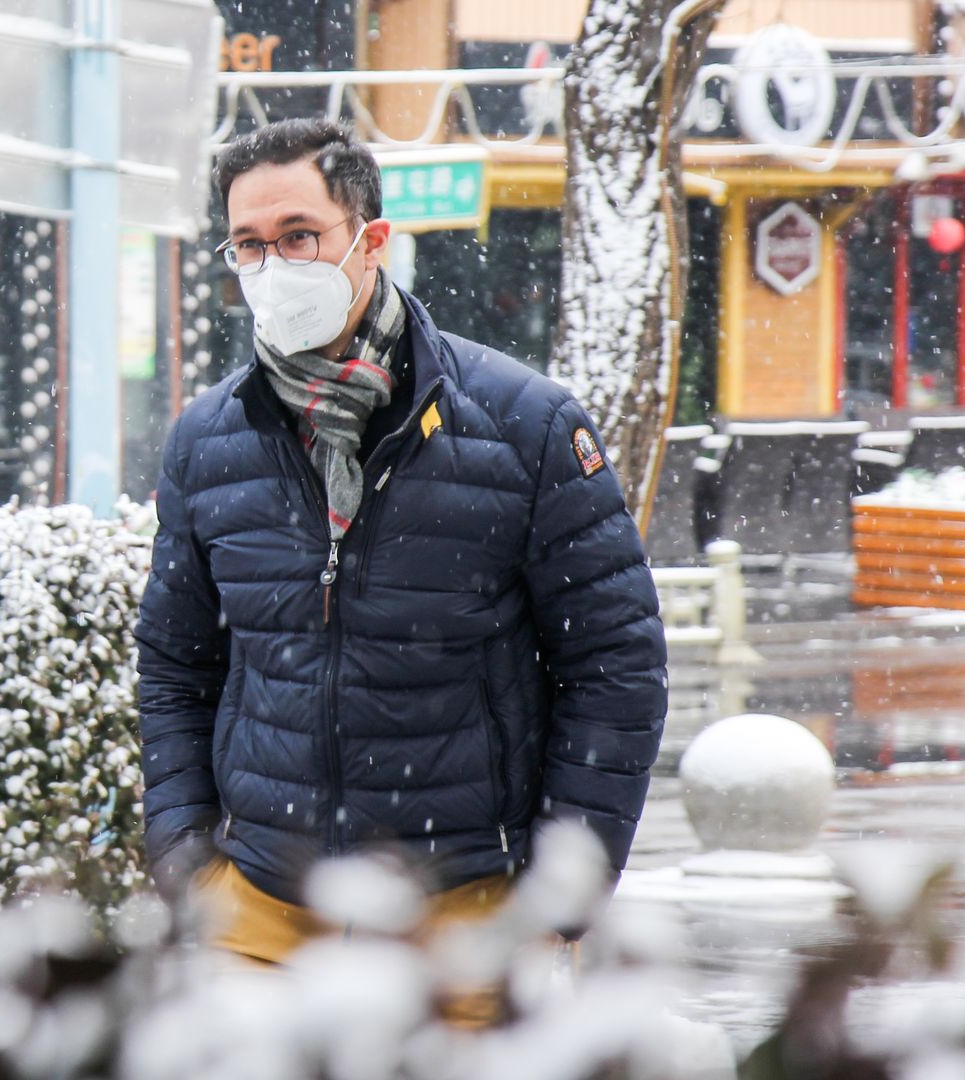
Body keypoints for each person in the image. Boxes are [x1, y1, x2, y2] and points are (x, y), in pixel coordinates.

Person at [135, 119, 666, 976]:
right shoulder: (208, 440)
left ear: (371, 241)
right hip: (257, 916)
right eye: (248, 245)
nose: (274, 267)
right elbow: (173, 662)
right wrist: (186, 856)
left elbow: (615, 667)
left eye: (300, 236)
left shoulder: (524, 425)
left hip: (464, 917)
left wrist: (563, 894)